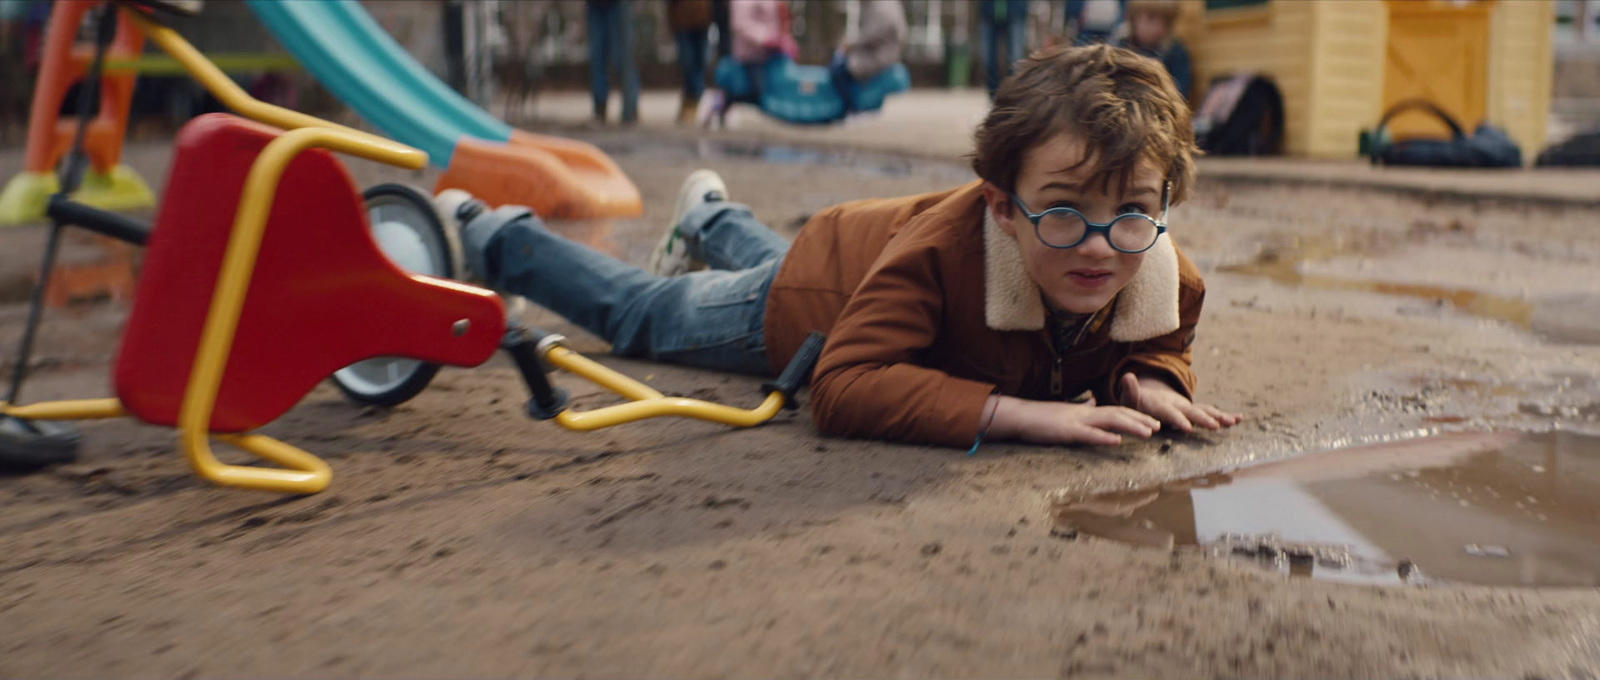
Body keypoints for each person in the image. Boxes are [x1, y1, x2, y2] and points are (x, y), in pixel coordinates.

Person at [434, 44, 1241, 449]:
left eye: (1133, 212)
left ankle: (711, 217)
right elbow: (843, 385)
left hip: (867, 253)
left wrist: (1148, 378)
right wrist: (1024, 417)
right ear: (1001, 205)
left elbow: (1162, 336)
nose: (1102, 249)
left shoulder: (1165, 277)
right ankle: (491, 230)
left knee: (757, 262)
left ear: (1164, 201)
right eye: (1064, 212)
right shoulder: (943, 256)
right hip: (816, 300)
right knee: (649, 315)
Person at [1117, 0, 1192, 102]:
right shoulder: (1119, 48)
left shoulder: (1175, 53)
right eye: (1151, 18)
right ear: (1134, 17)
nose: (1158, 28)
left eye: (1166, 21)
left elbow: (1180, 94)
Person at [584, 0, 639, 126]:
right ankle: (600, 108)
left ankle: (631, 107)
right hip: (595, 5)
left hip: (619, 5)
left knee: (622, 58)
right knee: (597, 57)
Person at [835, 0, 907, 85]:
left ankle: (849, 96)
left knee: (848, 66)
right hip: (885, 51)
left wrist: (851, 44)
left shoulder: (879, 6)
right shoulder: (881, 4)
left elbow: (873, 33)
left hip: (880, 53)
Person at [668, 0, 714, 126]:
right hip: (682, 20)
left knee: (701, 62)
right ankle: (693, 100)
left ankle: (694, 101)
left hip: (703, 20)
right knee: (688, 62)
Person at [979, 0, 1029, 99]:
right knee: (989, 60)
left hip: (1015, 11)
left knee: (1015, 60)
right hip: (989, 11)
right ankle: (993, 97)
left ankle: (1013, 96)